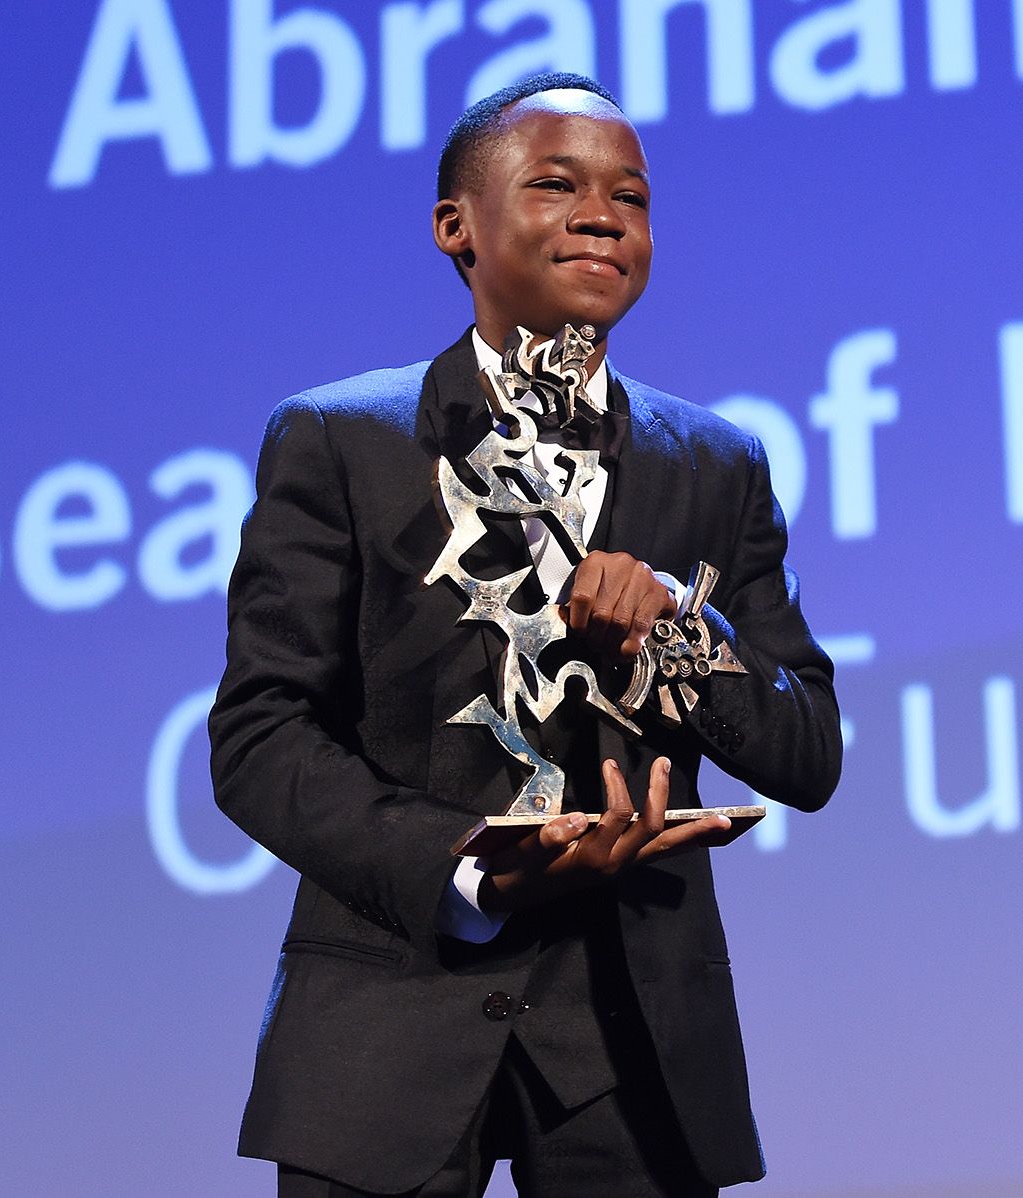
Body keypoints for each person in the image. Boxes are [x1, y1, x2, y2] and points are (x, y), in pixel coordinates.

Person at [209, 71, 842, 1198]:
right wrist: (467, 870)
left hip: (635, 1050)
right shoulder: (340, 439)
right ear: (456, 226)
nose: (603, 216)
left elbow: (809, 752)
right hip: (386, 1028)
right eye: (557, 185)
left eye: (630, 197)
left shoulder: (717, 463)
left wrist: (678, 632)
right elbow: (262, 737)